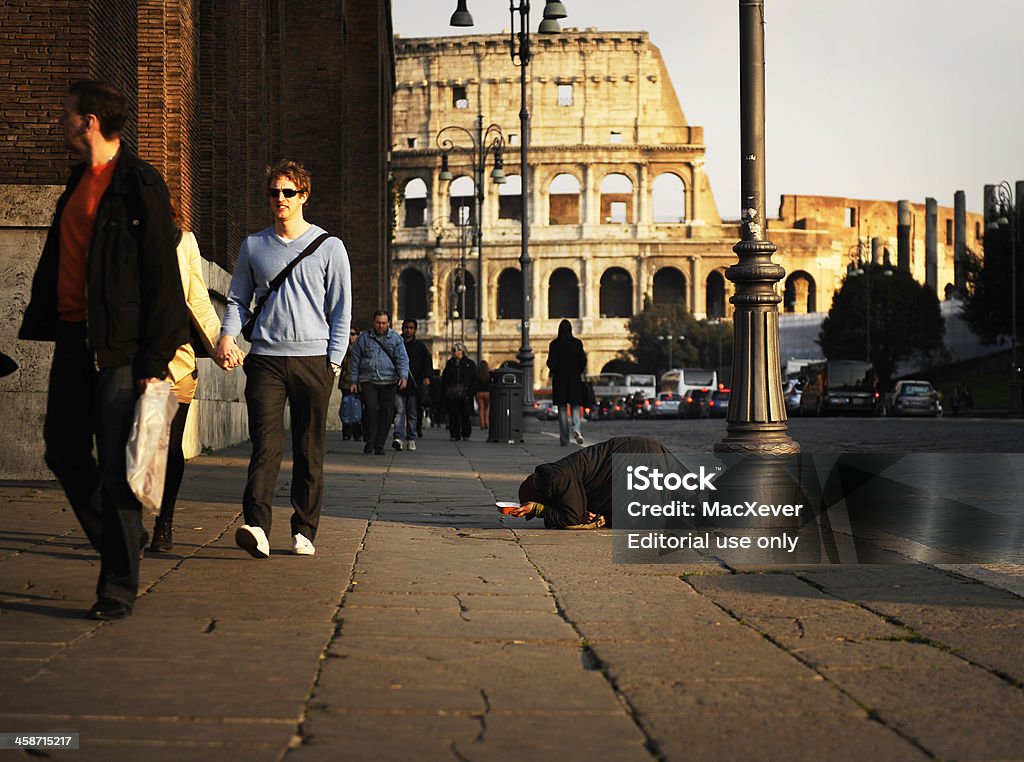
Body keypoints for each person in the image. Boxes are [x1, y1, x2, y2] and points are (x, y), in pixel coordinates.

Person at [19, 80, 189, 620]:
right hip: (73, 337)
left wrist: (154, 362)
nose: (61, 122)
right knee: (62, 449)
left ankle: (117, 585)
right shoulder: (77, 182)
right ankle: (121, 541)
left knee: (117, 466)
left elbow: (163, 277)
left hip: (121, 348)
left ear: (90, 120)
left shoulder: (139, 183)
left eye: (67, 113)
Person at [217, 160, 351, 559]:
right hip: (266, 361)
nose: (280, 199)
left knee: (309, 449)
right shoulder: (254, 245)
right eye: (274, 192)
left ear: (304, 195)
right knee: (265, 447)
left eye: (288, 192)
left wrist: (335, 361)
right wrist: (226, 335)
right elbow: (239, 299)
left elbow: (341, 309)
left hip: (314, 361)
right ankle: (256, 527)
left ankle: (304, 530)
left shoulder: (330, 247)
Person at [150, 216, 225, 553]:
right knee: (136, 445)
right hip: (134, 360)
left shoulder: (184, 241)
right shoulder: (120, 238)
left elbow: (198, 300)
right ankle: (125, 522)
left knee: (170, 447)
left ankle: (163, 522)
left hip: (178, 360)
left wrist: (220, 344)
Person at [507, 436, 671, 529]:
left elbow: (572, 516)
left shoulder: (555, 479)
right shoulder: (553, 477)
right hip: (633, 454)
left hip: (636, 456)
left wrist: (538, 509)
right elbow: (574, 506)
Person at [347, 310, 408, 455]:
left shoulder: (395, 339)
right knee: (371, 408)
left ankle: (379, 444)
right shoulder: (364, 338)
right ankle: (369, 440)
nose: (381, 326)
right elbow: (355, 360)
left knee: (387, 412)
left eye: (384, 323)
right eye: (378, 323)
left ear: (388, 323)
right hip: (368, 379)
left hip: (389, 380)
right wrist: (353, 381)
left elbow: (402, 359)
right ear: (373, 322)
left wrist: (403, 376)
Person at [547, 318, 588, 446]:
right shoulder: (577, 343)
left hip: (560, 380)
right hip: (574, 379)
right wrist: (578, 371)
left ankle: (564, 439)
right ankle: (576, 429)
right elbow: (583, 361)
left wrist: (556, 370)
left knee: (562, 409)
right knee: (575, 407)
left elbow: (550, 363)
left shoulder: (554, 344)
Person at [393, 318, 431, 452]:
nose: (408, 330)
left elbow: (427, 363)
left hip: (414, 386)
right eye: (406, 327)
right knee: (399, 411)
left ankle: (411, 438)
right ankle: (398, 437)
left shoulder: (420, 347)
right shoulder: (396, 343)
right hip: (398, 384)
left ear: (415, 330)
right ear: (402, 328)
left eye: (411, 328)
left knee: (412, 413)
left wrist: (426, 377)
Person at [441, 342, 476, 441]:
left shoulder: (469, 363)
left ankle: (466, 433)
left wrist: (472, 390)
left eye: (455, 350)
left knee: (465, 414)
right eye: (452, 351)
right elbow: (445, 378)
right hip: (452, 392)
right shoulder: (450, 363)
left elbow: (473, 378)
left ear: (462, 351)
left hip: (465, 392)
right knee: (453, 414)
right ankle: (454, 434)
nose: (453, 353)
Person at [339, 327, 363, 442]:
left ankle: (357, 432)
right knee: (346, 406)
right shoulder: (343, 350)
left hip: (357, 382)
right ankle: (346, 432)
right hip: (345, 382)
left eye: (353, 334)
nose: (350, 337)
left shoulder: (360, 349)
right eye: (348, 334)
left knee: (357, 407)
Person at [476, 360, 491, 430]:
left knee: (481, 409)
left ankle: (482, 424)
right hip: (487, 393)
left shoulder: (478, 374)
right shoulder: (489, 374)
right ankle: (487, 423)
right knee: (487, 408)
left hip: (479, 393)